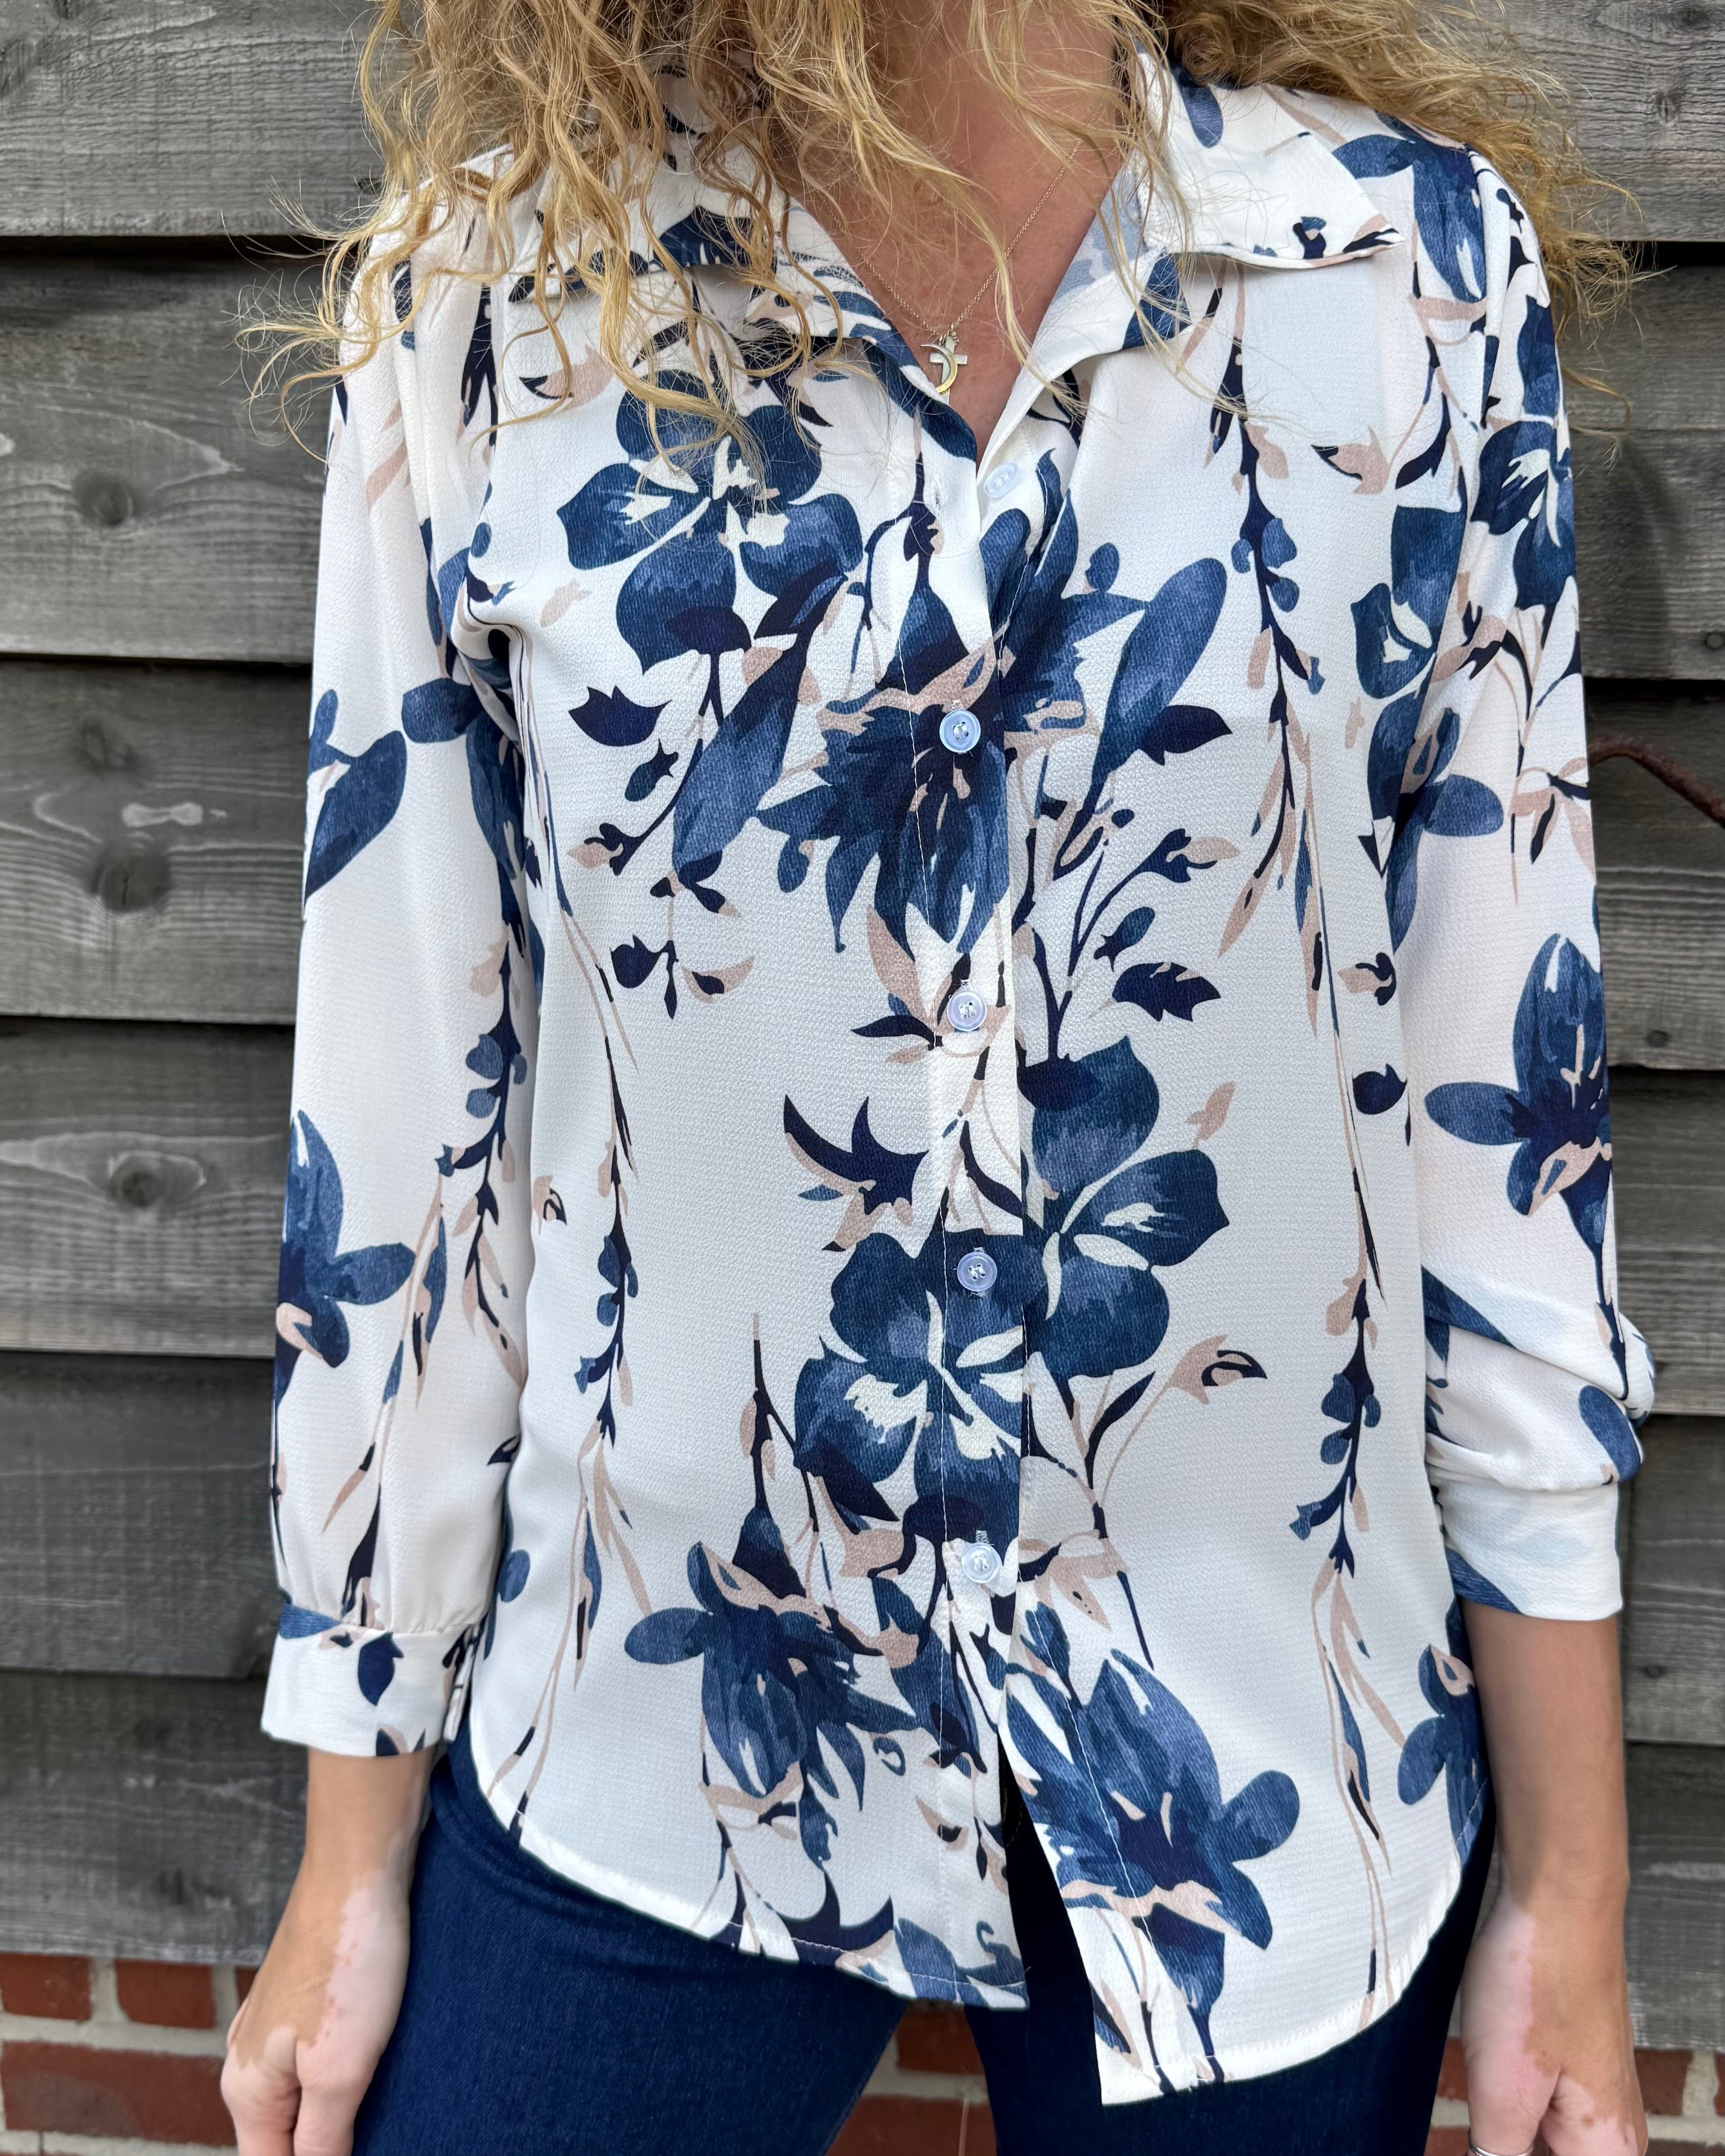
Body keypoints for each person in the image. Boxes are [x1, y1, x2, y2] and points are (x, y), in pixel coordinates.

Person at [222, 1, 1656, 2151]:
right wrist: (353, 1852)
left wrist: (1577, 1873)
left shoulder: (1400, 278)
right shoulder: (494, 307)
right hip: (653, 1714)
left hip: (1258, 1768)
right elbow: (405, 1141)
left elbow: (1502, 1130)